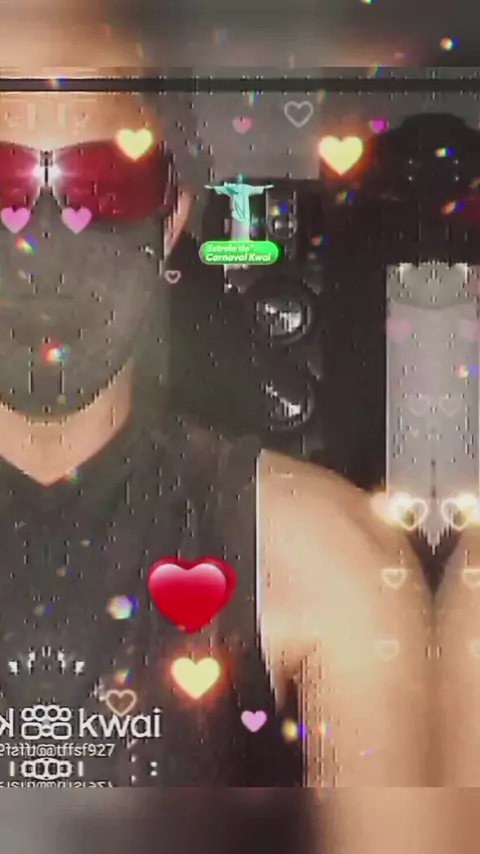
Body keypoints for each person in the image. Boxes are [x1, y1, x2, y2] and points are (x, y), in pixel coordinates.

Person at [0, 5, 433, 817]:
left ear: (170, 219)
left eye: (103, 185)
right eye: (2, 184)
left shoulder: (329, 567)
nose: (44, 242)